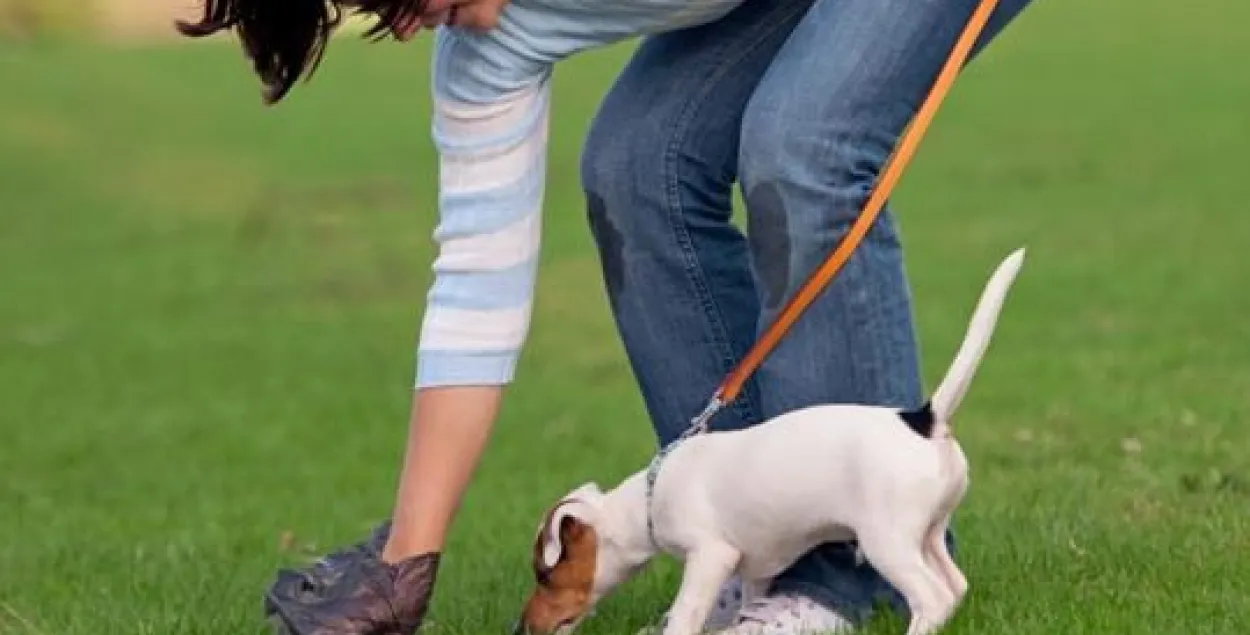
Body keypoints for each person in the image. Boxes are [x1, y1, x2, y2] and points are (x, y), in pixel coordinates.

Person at [176, 0, 1033, 631]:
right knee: (636, 166)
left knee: (804, 142)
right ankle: (749, 547)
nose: (411, 24)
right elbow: (475, 284)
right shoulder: (479, 42)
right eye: (376, 8)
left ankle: (835, 582)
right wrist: (406, 559)